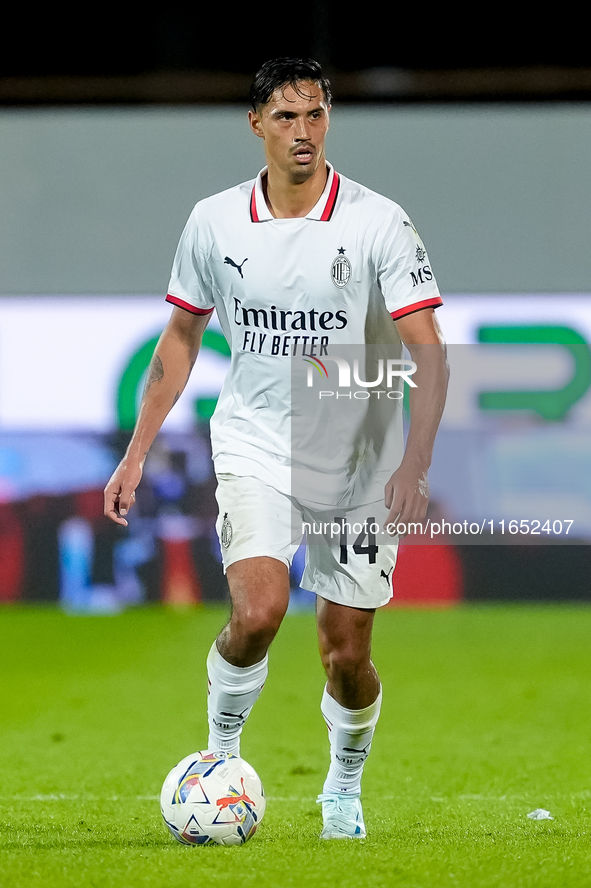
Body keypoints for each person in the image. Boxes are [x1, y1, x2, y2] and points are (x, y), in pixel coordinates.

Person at [104, 57, 449, 840]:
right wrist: (135, 455)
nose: (303, 131)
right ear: (255, 123)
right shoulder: (214, 221)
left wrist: (413, 463)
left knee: (345, 653)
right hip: (255, 442)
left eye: (316, 114)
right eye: (286, 117)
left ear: (329, 120)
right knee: (257, 612)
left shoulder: (376, 221)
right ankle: (218, 758)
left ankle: (342, 786)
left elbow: (425, 350)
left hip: (359, 456)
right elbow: (181, 338)